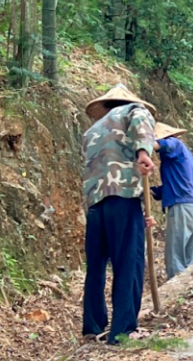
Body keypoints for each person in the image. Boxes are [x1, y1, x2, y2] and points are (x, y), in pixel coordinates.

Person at [81, 84, 157, 344]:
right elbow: (141, 122)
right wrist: (143, 153)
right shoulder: (134, 110)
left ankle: (93, 327)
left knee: (96, 267)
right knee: (129, 262)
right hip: (122, 196)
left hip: (95, 204)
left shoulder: (92, 130)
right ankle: (123, 330)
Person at [150, 122, 193, 280]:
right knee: (187, 256)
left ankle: (176, 289)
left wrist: (141, 144)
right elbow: (171, 186)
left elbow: (161, 144)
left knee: (175, 255)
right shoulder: (180, 158)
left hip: (183, 206)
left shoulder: (175, 145)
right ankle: (188, 287)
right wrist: (150, 191)